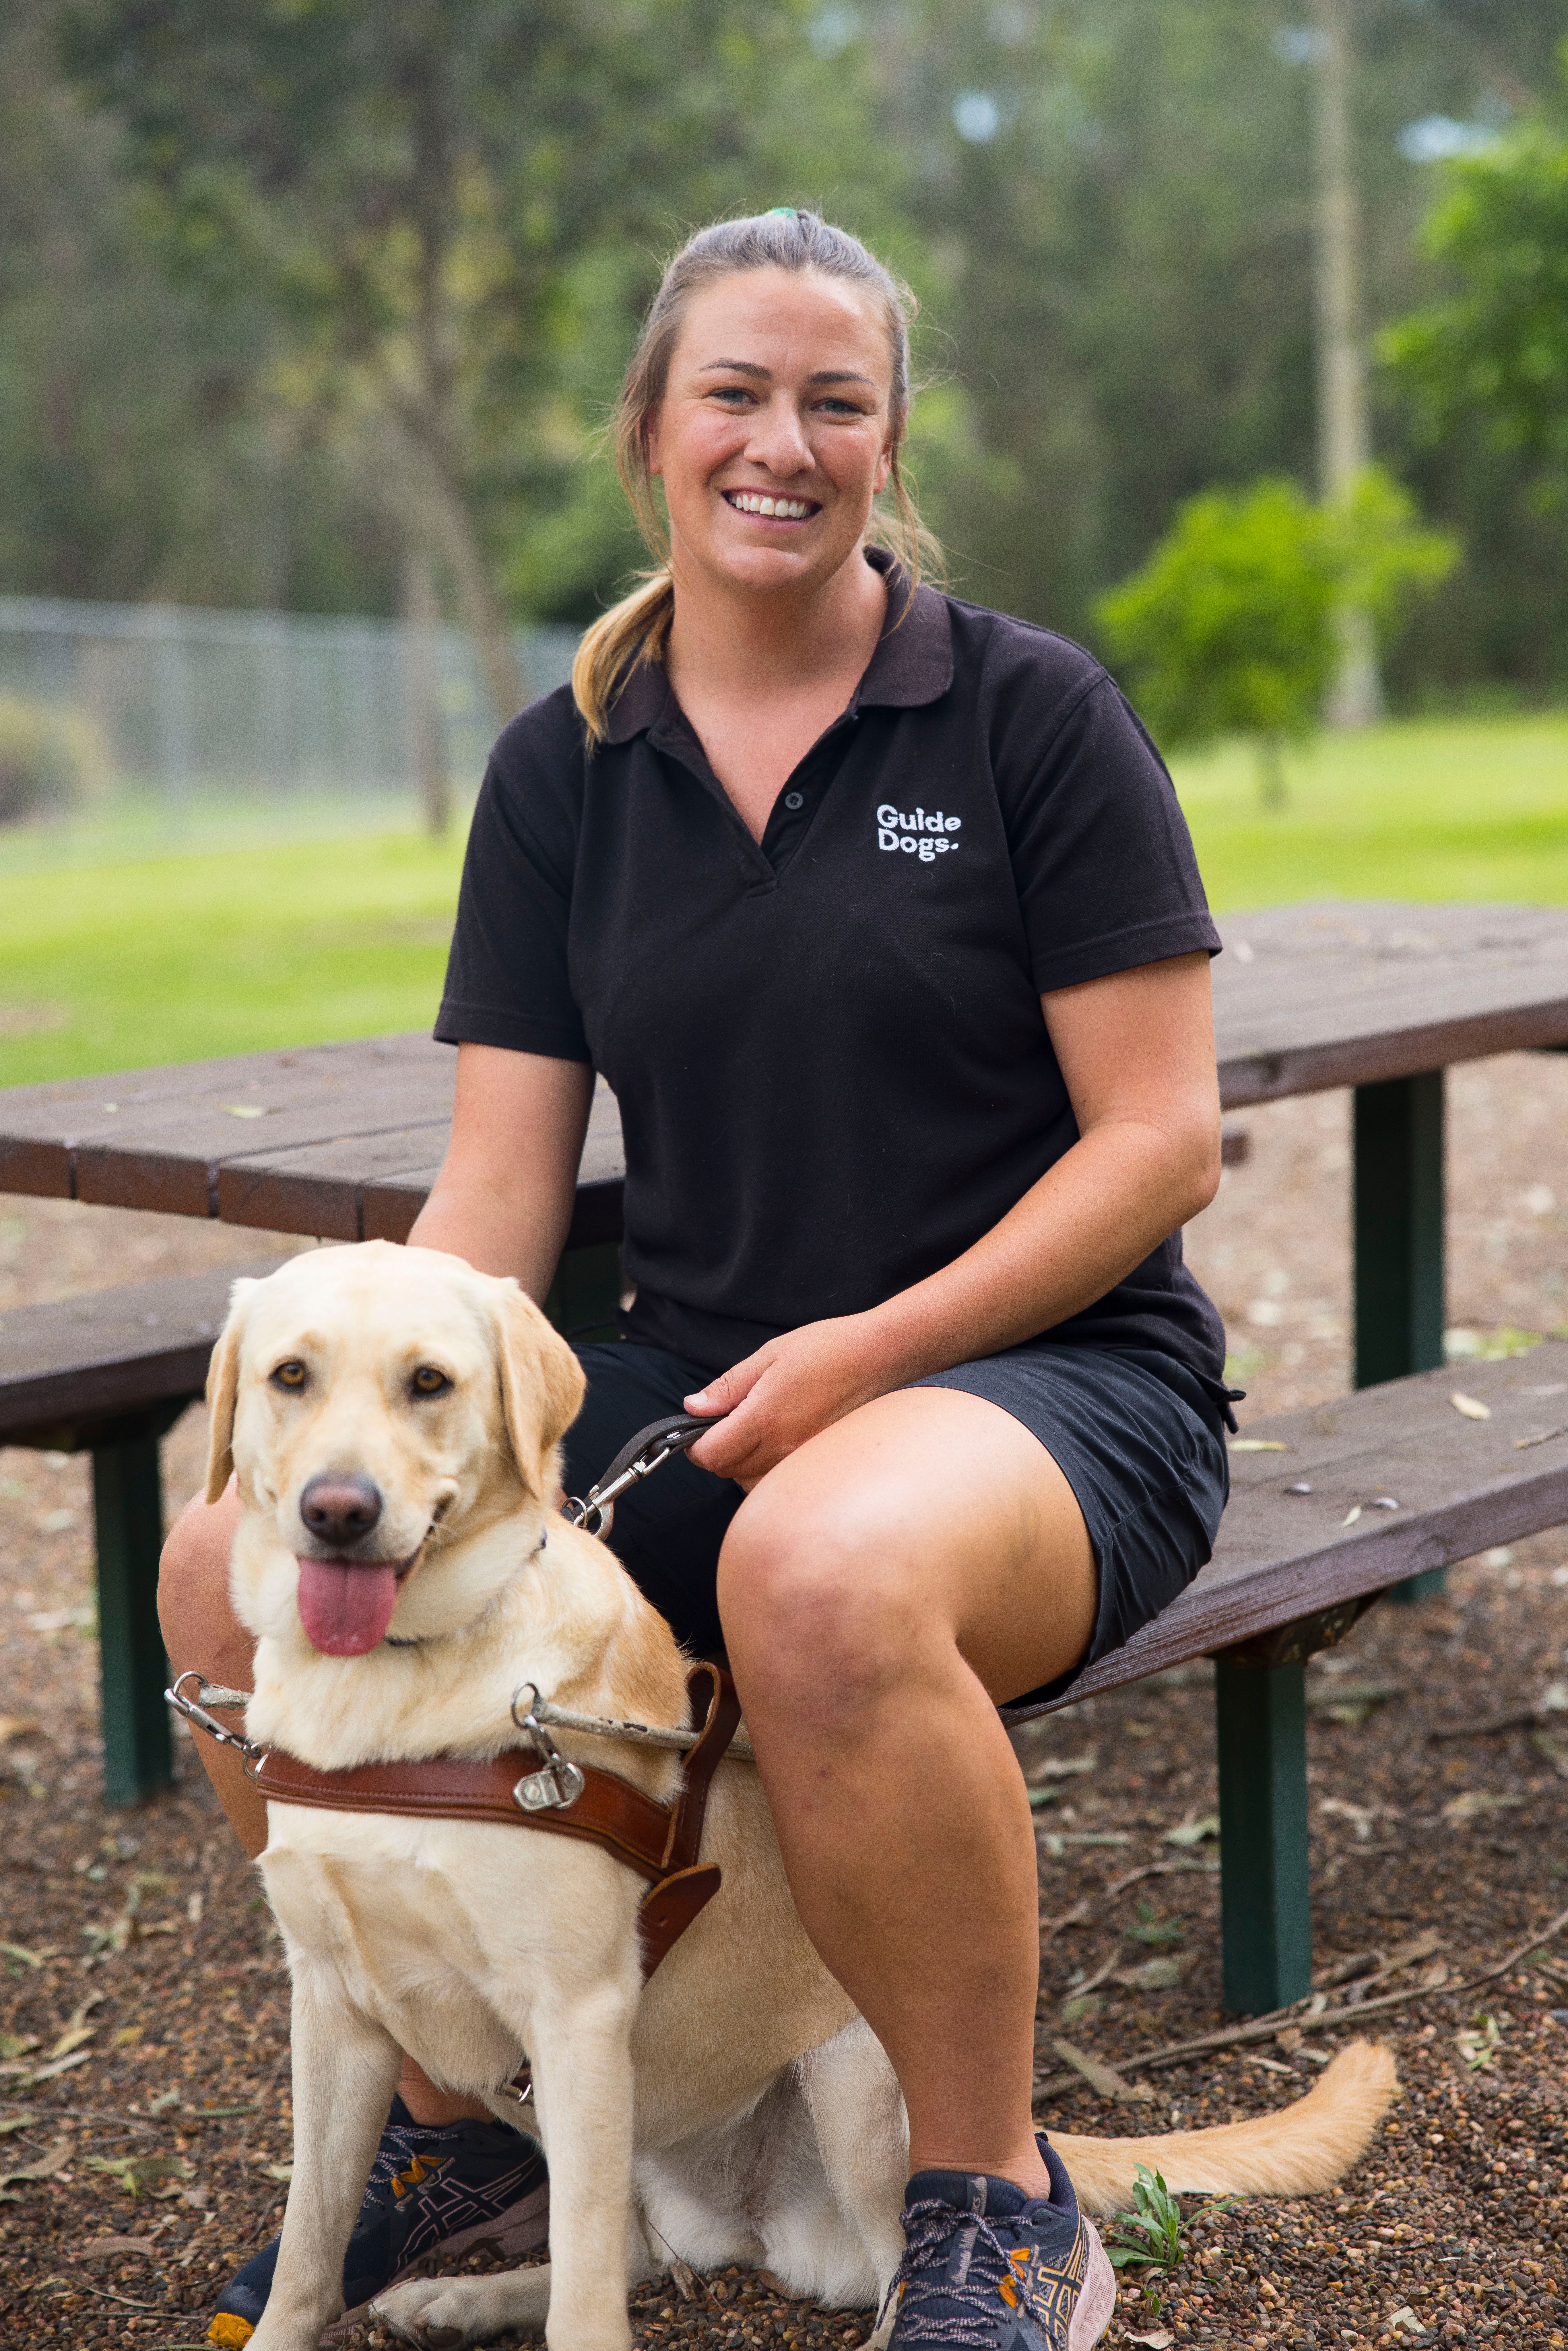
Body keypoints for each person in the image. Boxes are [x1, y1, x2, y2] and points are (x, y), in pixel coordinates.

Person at [161, 208, 1233, 2351]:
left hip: (1039, 1380)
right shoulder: (567, 766)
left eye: (835, 400)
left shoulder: (1025, 716)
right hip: (697, 1386)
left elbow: (1159, 1142)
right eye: (734, 392)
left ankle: (993, 2195)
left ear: (887, 441)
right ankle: (478, 2108)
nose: (783, 441)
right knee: (219, 1576)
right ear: (648, 430)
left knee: (819, 1580)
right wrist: (360, 1421)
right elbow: (496, 1193)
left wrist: (874, 1349)